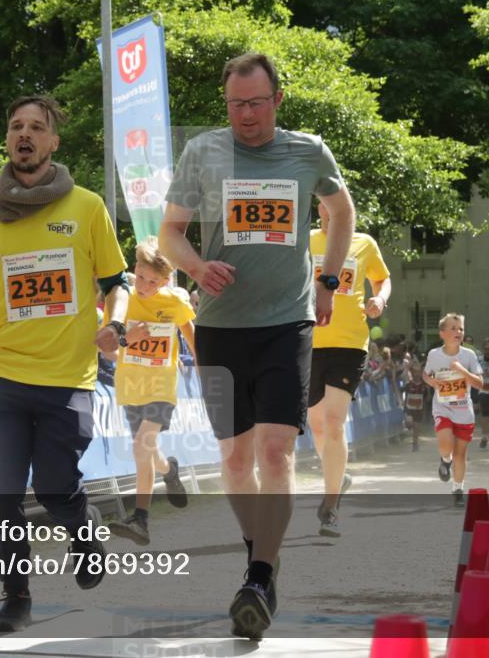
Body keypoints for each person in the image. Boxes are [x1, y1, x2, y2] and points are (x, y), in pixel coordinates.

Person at [159, 52, 355, 640]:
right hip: (219, 327)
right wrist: (196, 267)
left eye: (256, 102)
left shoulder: (307, 151)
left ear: (277, 101)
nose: (245, 114)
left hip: (285, 323)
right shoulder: (204, 152)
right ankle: (258, 553)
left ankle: (261, 575)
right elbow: (169, 233)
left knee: (275, 453)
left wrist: (327, 278)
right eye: (235, 104)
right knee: (235, 462)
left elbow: (340, 210)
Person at [0, 95, 129, 633]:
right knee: (2, 491)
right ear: (8, 140)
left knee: (56, 486)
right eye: (16, 126)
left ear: (52, 142)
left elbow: (117, 283)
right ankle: (15, 594)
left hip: (68, 376)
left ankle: (83, 530)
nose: (25, 135)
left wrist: (118, 323)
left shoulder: (86, 207)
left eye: (36, 128)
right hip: (2, 374)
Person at [306, 200, 390, 537]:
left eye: (334, 211)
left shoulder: (364, 243)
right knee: (317, 428)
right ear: (318, 211)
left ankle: (330, 505)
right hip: (308, 342)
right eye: (323, 211)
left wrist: (380, 299)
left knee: (334, 423)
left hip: (349, 343)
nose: (328, 217)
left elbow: (382, 279)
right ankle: (337, 477)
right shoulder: (306, 240)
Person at [105, 236, 196, 545]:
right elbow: (106, 346)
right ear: (135, 268)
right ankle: (170, 471)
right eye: (140, 276)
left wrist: (206, 366)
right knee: (147, 451)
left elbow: (189, 332)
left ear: (166, 280)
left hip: (161, 385)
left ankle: (140, 519)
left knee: (141, 446)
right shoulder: (121, 300)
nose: (143, 285)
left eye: (152, 281)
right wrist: (124, 340)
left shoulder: (175, 302)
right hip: (130, 387)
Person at [423, 313, 483, 507]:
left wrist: (463, 372)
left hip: (464, 411)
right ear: (442, 333)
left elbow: (480, 383)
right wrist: (430, 381)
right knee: (446, 445)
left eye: (461, 329)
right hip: (443, 408)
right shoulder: (434, 355)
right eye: (453, 328)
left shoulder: (469, 356)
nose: (458, 332)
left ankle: (457, 488)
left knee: (460, 454)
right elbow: (425, 374)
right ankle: (444, 459)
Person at [404, 357, 427, 452]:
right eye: (414, 372)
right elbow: (401, 392)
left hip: (419, 409)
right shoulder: (408, 385)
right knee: (409, 423)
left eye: (418, 372)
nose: (416, 374)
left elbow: (427, 398)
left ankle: (415, 443)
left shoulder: (423, 387)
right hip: (409, 408)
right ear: (412, 373)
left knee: (416, 427)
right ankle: (408, 425)